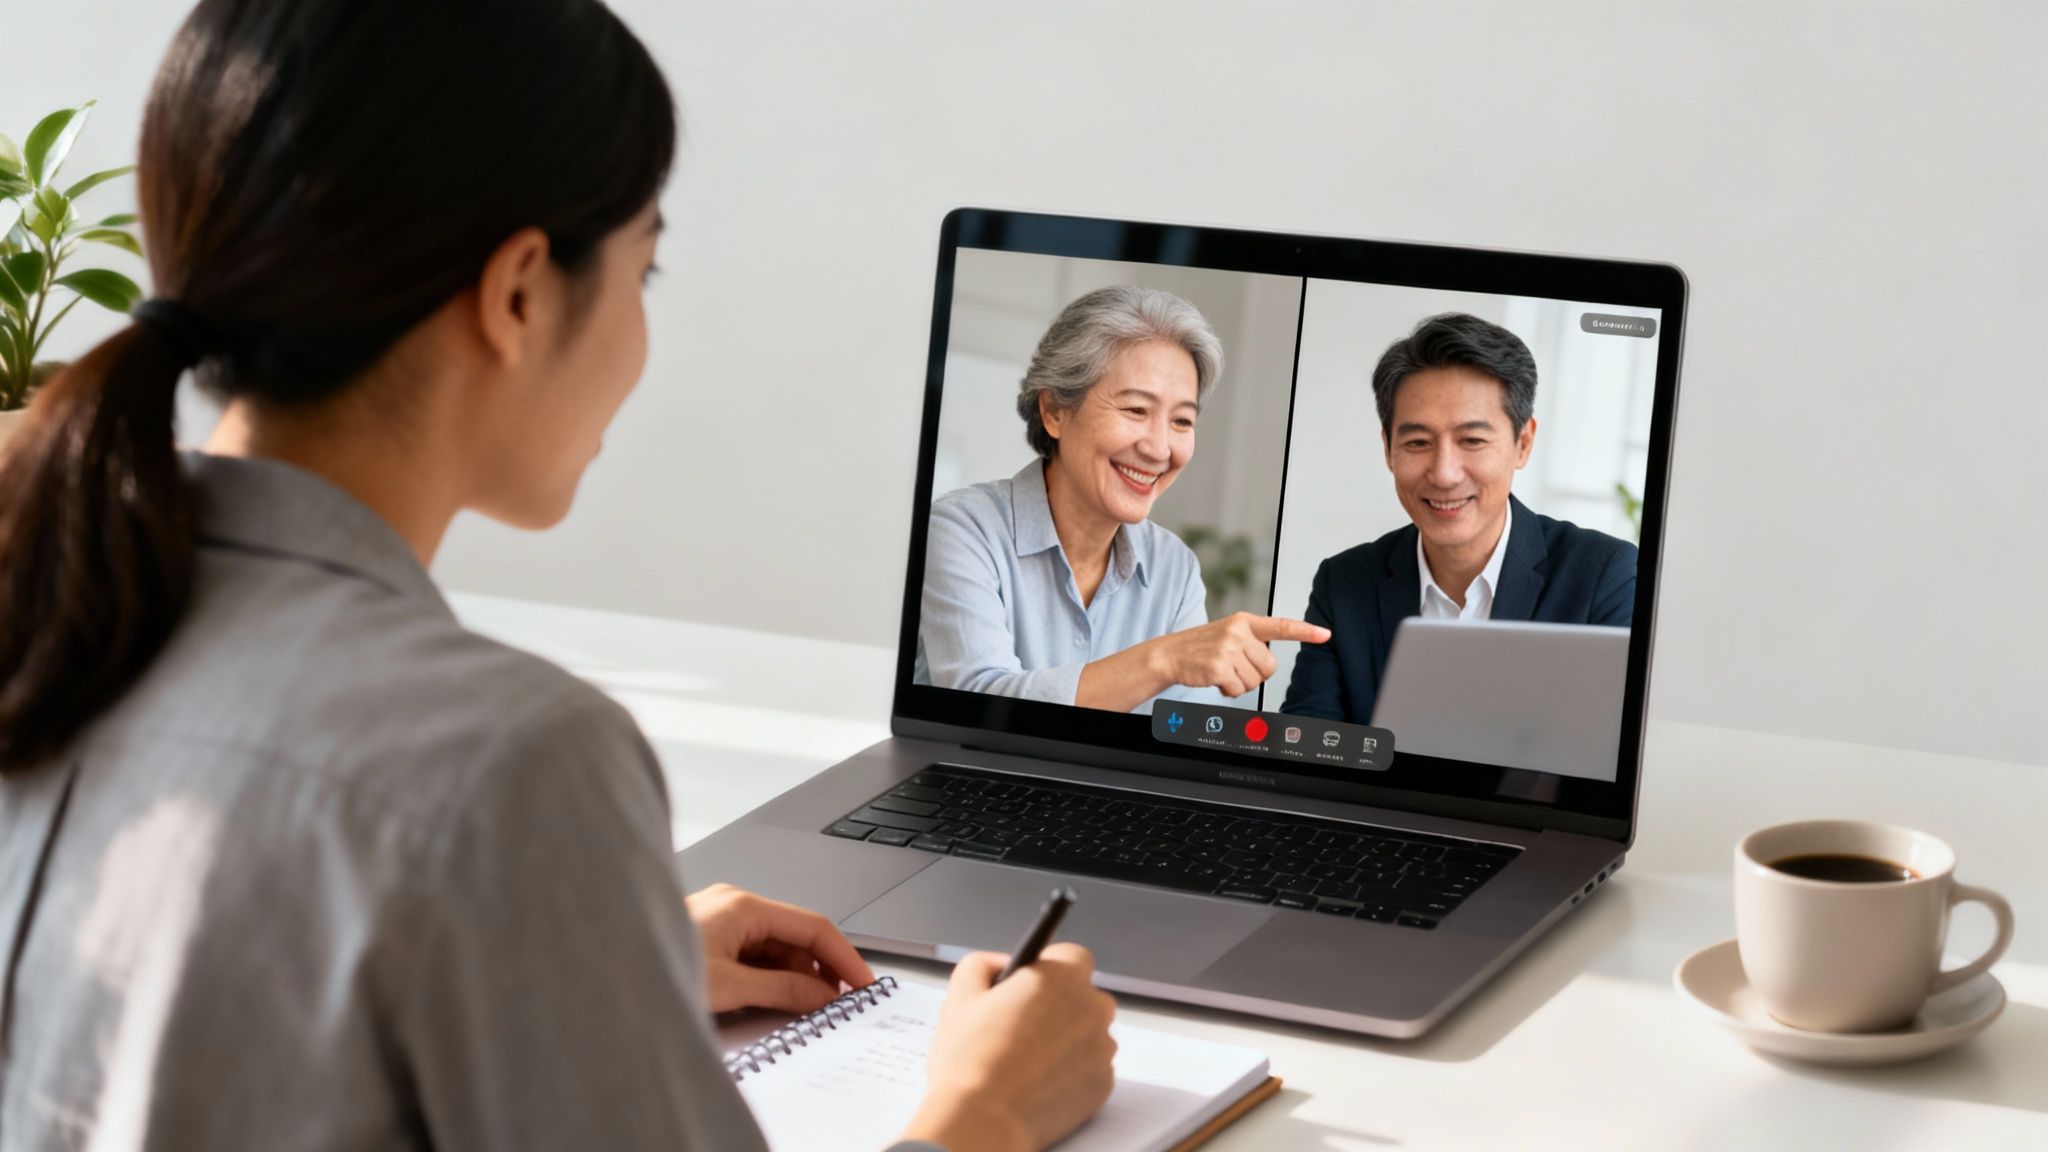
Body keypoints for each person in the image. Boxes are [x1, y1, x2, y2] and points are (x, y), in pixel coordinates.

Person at [0, 3, 1115, 1150]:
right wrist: (989, 1108)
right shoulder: (506, 761)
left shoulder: (55, 614)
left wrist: (563, 956)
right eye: (645, 266)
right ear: (520, 291)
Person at [915, 285, 1328, 714]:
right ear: (1054, 411)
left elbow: (1181, 735)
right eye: (1135, 410)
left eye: (1182, 420)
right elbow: (975, 704)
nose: (1159, 448)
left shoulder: (1174, 567)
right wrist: (1165, 659)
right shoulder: (962, 528)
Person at [1280, 312, 1636, 724]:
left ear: (1523, 443)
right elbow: (1305, 747)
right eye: (1418, 442)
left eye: (1472, 440)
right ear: (1387, 449)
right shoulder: (1343, 585)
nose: (1445, 473)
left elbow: (1606, 751)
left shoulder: (1603, 576)